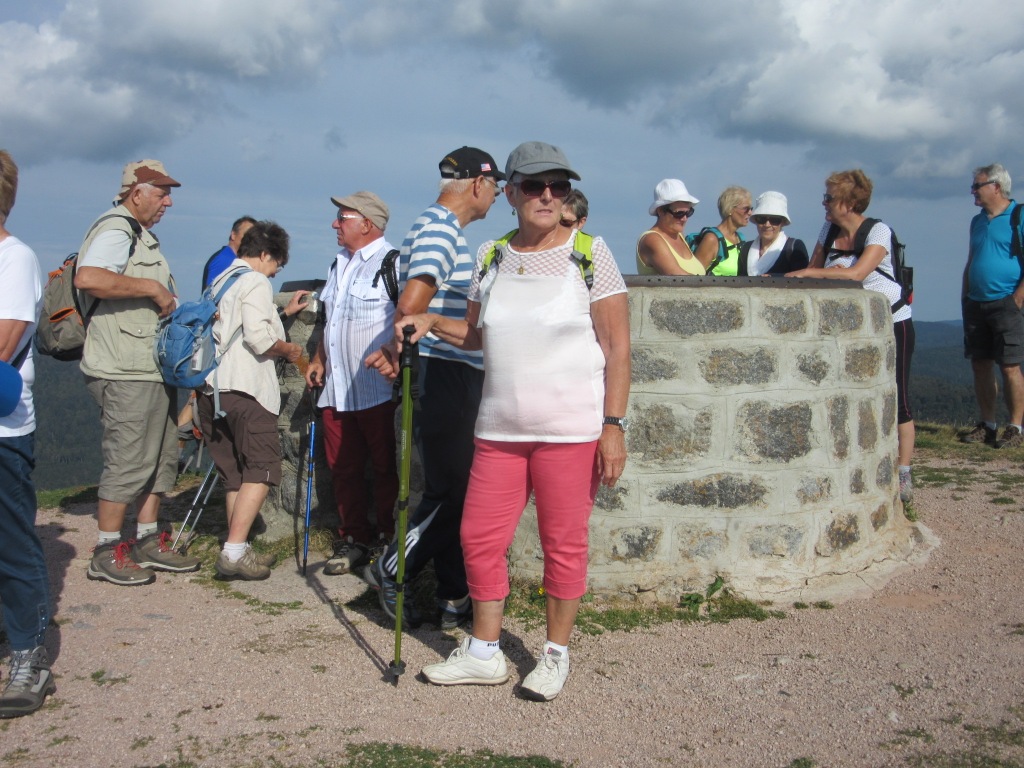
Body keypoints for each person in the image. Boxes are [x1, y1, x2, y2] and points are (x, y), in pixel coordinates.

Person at [413, 141, 630, 702]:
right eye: (534, 186)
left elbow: (618, 349)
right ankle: (485, 652)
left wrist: (613, 425)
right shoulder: (491, 255)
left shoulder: (590, 252)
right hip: (499, 431)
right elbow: (481, 337)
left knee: (564, 544)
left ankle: (555, 655)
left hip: (570, 432)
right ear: (509, 193)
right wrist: (431, 321)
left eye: (558, 186)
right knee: (478, 539)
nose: (548, 196)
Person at [364, 146, 504, 629]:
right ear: (477, 184)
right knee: (455, 493)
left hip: (445, 372)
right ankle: (391, 568)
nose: (499, 197)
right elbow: (412, 301)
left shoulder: (436, 227)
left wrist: (392, 346)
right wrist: (396, 344)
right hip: (446, 373)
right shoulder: (442, 229)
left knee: (453, 488)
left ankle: (453, 596)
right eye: (498, 187)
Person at [74, 159, 202, 585]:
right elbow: (89, 277)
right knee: (128, 459)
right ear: (136, 192)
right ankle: (106, 549)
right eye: (161, 193)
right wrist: (152, 288)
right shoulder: (116, 228)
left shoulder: (140, 234)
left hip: (147, 366)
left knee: (160, 457)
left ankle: (147, 539)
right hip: (123, 366)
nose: (167, 202)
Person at [787, 169, 915, 502]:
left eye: (829, 197)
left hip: (893, 321)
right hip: (847, 329)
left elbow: (858, 273)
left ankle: (904, 473)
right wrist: (824, 272)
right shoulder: (828, 229)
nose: (824, 203)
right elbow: (819, 270)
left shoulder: (877, 231)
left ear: (849, 201)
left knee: (899, 397)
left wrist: (818, 272)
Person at [196, 221, 302, 580]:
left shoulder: (220, 281)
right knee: (262, 468)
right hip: (246, 390)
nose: (275, 273)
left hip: (212, 390)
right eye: (277, 265)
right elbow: (258, 338)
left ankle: (237, 548)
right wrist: (289, 349)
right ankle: (234, 552)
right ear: (265, 255)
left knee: (235, 474)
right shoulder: (255, 281)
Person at [304, 192, 398, 575]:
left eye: (342, 217)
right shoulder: (338, 264)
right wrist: (318, 358)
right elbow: (332, 321)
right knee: (342, 468)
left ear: (367, 223)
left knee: (386, 468)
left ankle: (390, 544)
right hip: (337, 389)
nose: (334, 224)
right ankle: (354, 539)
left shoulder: (393, 263)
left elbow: (412, 317)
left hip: (377, 388)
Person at [0, 150, 55, 717]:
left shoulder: (14, 260)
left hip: (3, 427)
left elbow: (4, 342)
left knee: (11, 542)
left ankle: (28, 655)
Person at [959, 163, 1024, 449]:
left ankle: (1015, 427)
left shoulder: (1018, 216)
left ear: (996, 187)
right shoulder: (977, 221)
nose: (973, 191)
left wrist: (1018, 299)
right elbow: (971, 259)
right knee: (980, 364)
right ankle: (987, 425)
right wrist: (965, 295)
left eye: (977, 185)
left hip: (1007, 301)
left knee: (1010, 366)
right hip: (976, 302)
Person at [635, 179, 705, 276]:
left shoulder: (680, 236)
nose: (684, 218)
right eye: (679, 213)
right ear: (660, 211)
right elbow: (677, 277)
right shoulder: (652, 239)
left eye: (688, 212)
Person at [737, 191, 809, 276]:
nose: (767, 225)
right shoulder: (746, 248)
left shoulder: (795, 248)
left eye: (774, 220)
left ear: (782, 222)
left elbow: (802, 283)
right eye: (762, 219)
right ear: (756, 221)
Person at [694, 185, 751, 275]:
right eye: (746, 209)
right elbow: (695, 276)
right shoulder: (712, 239)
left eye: (751, 209)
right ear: (730, 209)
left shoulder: (741, 239)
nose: (750, 213)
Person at [201, 215, 256, 289]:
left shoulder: (236, 260)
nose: (250, 240)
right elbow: (211, 295)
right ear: (233, 235)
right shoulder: (223, 260)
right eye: (247, 235)